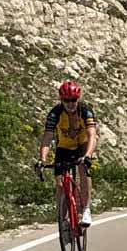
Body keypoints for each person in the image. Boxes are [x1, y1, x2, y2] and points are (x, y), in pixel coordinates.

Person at [36, 80, 97, 225]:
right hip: (63, 148)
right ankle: (63, 219)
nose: (70, 104)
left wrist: (87, 155)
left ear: (78, 99)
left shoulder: (85, 111)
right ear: (61, 100)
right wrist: (42, 160)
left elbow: (92, 136)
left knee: (83, 169)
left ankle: (86, 209)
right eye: (66, 100)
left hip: (82, 145)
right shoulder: (55, 113)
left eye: (73, 100)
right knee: (60, 183)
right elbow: (47, 138)